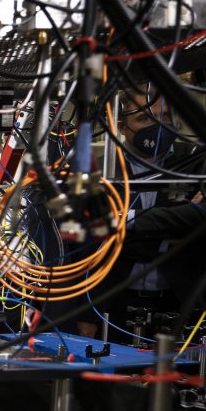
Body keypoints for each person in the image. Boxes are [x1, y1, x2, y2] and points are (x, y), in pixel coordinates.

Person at [76, 86, 205, 339]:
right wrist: (170, 228)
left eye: (164, 117)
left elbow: (200, 219)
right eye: (145, 118)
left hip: (180, 303)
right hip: (113, 304)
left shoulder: (194, 164)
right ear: (123, 126)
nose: (158, 125)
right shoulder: (101, 170)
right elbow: (88, 241)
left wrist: (126, 223)